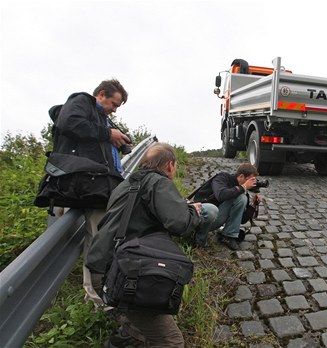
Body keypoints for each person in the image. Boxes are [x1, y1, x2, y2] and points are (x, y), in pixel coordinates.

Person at [86, 143, 218, 347]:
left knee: (140, 325)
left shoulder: (127, 183)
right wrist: (194, 212)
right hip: (121, 274)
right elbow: (180, 224)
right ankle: (128, 336)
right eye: (175, 167)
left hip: (101, 268)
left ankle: (126, 337)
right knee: (171, 341)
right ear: (170, 165)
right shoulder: (158, 182)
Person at [53, 79, 131, 306]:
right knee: (96, 239)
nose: (115, 110)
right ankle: (95, 297)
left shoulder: (100, 118)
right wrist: (108, 134)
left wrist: (118, 140)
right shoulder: (81, 101)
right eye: (114, 104)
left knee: (99, 237)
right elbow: (68, 123)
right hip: (87, 185)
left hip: (96, 185)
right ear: (101, 94)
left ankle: (98, 290)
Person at [195, 163, 259, 250]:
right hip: (200, 219)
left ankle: (228, 236)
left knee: (242, 197)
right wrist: (243, 187)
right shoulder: (222, 178)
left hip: (214, 220)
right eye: (249, 180)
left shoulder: (243, 191)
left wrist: (253, 205)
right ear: (241, 176)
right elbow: (221, 195)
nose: (251, 184)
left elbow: (242, 219)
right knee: (241, 197)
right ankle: (203, 237)